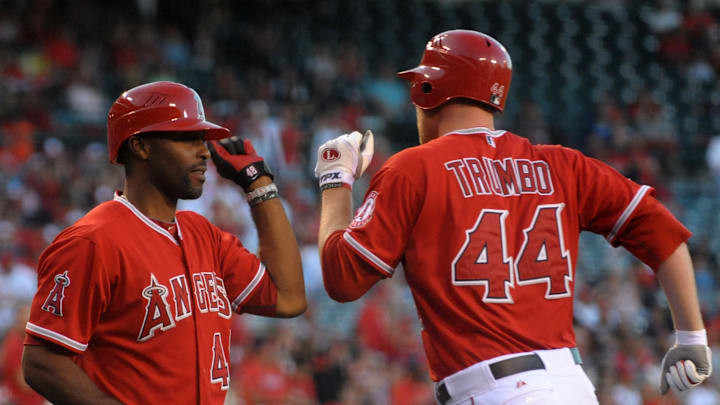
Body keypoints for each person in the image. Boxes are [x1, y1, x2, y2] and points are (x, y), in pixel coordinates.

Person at [314, 30, 711, 404]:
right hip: (572, 386)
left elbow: (341, 279)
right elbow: (662, 231)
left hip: (494, 389)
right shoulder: (563, 164)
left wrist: (336, 181)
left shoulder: (413, 169)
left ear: (427, 89)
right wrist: (691, 336)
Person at [21, 81, 306, 404]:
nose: (203, 152)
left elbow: (288, 298)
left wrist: (259, 185)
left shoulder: (205, 235)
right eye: (187, 139)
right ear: (141, 147)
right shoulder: (93, 241)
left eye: (202, 140)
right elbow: (41, 362)